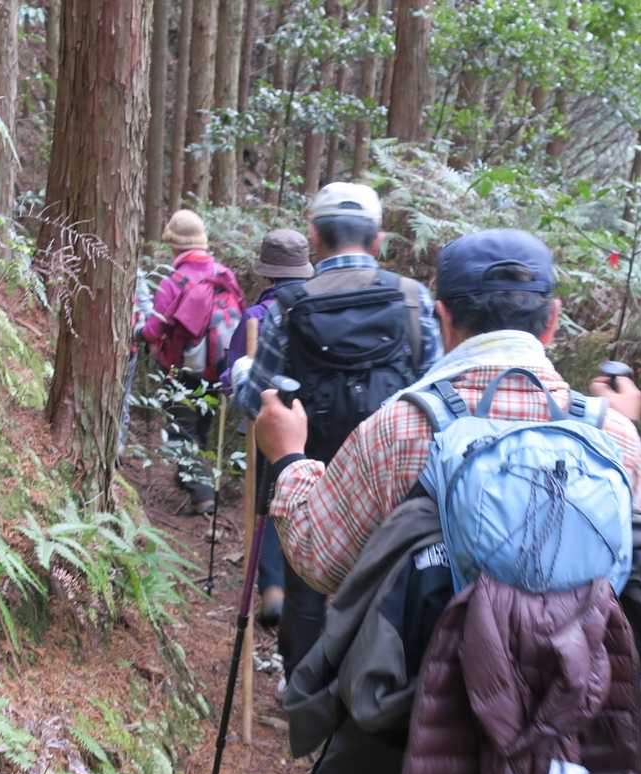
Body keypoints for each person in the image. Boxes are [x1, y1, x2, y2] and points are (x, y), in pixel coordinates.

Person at [253, 230, 641, 774]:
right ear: (553, 323)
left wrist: (290, 457)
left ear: (443, 319)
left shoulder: (405, 425)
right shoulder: (607, 433)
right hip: (547, 692)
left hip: (412, 681)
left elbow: (321, 556)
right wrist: (622, 429)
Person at [232, 182, 441, 674]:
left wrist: (242, 373)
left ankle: (303, 687)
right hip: (397, 483)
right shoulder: (413, 301)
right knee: (386, 581)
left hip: (312, 472)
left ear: (314, 237)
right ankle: (371, 686)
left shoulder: (287, 308)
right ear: (377, 240)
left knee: (307, 580)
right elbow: (437, 390)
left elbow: (256, 400)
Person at [223, 228, 315, 626]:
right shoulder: (320, 307)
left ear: (267, 272)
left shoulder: (258, 316)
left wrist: (237, 376)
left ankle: (273, 585)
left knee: (270, 500)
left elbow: (231, 374)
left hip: (272, 422)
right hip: (315, 422)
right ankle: (304, 585)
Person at [139, 209, 244, 514]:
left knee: (180, 431)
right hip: (219, 369)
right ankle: (192, 480)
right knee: (200, 427)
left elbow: (154, 328)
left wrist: (139, 332)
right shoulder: (224, 275)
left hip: (183, 371)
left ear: (174, 245)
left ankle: (202, 493)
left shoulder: (174, 282)